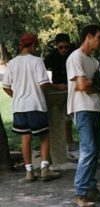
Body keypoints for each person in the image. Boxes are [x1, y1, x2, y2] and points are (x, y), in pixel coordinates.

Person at [2, 32, 61, 182]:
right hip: (36, 104)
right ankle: (44, 169)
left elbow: (6, 86)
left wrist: (16, 96)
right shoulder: (36, 61)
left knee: (25, 137)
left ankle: (29, 172)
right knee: (44, 137)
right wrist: (57, 86)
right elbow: (43, 83)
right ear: (33, 45)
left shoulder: (12, 63)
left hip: (19, 106)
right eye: (36, 45)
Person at [66, 25, 100, 207]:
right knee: (88, 150)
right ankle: (80, 193)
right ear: (88, 36)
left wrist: (92, 84)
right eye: (98, 37)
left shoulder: (93, 62)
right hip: (82, 108)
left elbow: (93, 85)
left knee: (94, 151)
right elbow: (82, 86)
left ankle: (91, 189)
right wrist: (94, 85)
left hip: (95, 108)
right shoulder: (76, 57)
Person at [44, 33, 79, 161]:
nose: (64, 50)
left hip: (74, 91)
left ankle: (70, 146)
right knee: (63, 119)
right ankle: (65, 147)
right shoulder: (51, 57)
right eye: (61, 47)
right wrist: (56, 86)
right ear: (56, 46)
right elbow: (41, 73)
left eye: (66, 47)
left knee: (71, 119)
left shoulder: (74, 54)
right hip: (58, 93)